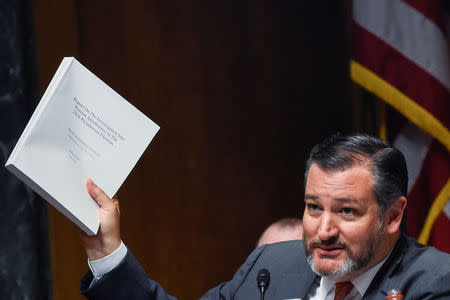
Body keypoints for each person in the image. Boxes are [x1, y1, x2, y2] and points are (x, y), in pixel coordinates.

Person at [79, 133, 450, 299]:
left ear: (393, 216)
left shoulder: (434, 282)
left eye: (347, 211)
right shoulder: (272, 265)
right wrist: (106, 253)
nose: (324, 230)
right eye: (313, 207)